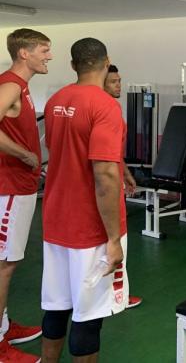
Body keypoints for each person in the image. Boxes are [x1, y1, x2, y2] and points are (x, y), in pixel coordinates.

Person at [41, 38, 129, 362]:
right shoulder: (105, 106)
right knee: (89, 316)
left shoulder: (55, 101)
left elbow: (58, 152)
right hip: (90, 230)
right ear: (106, 62)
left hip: (55, 222)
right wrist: (113, 239)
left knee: (57, 306)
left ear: (73, 65)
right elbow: (104, 175)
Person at [0, 28, 52, 363]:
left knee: (9, 262)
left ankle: (4, 325)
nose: (49, 56)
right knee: (3, 265)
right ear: (24, 53)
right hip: (10, 187)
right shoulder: (10, 84)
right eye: (44, 50)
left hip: (21, 186)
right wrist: (24, 154)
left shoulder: (21, 86)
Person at [103, 64, 142, 309]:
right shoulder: (107, 110)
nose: (119, 85)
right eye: (113, 82)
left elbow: (114, 152)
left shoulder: (112, 109)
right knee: (116, 241)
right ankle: (117, 297)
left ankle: (116, 293)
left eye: (119, 80)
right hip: (108, 185)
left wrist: (126, 173)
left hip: (115, 177)